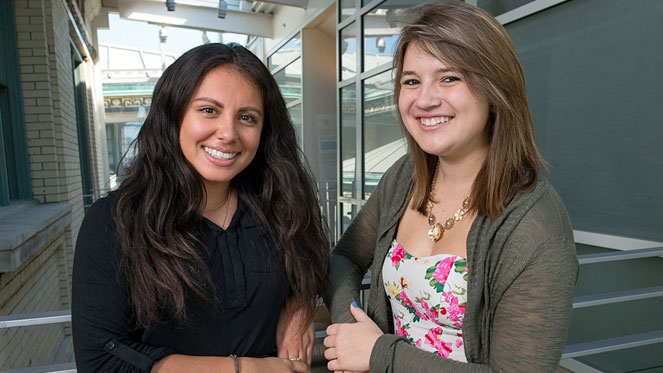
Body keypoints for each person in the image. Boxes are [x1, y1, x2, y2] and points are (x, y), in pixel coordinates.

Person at [324, 2, 578, 372]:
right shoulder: (404, 177)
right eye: (411, 81)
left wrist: (380, 354)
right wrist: (350, 331)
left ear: (496, 88)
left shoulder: (535, 227)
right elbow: (344, 258)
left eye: (449, 78)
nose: (424, 99)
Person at [72, 43, 329, 372]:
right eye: (209, 110)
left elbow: (315, 263)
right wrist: (245, 369)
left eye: (247, 118)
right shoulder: (114, 221)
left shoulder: (278, 208)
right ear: (174, 113)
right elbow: (101, 359)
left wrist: (300, 304)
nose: (228, 133)